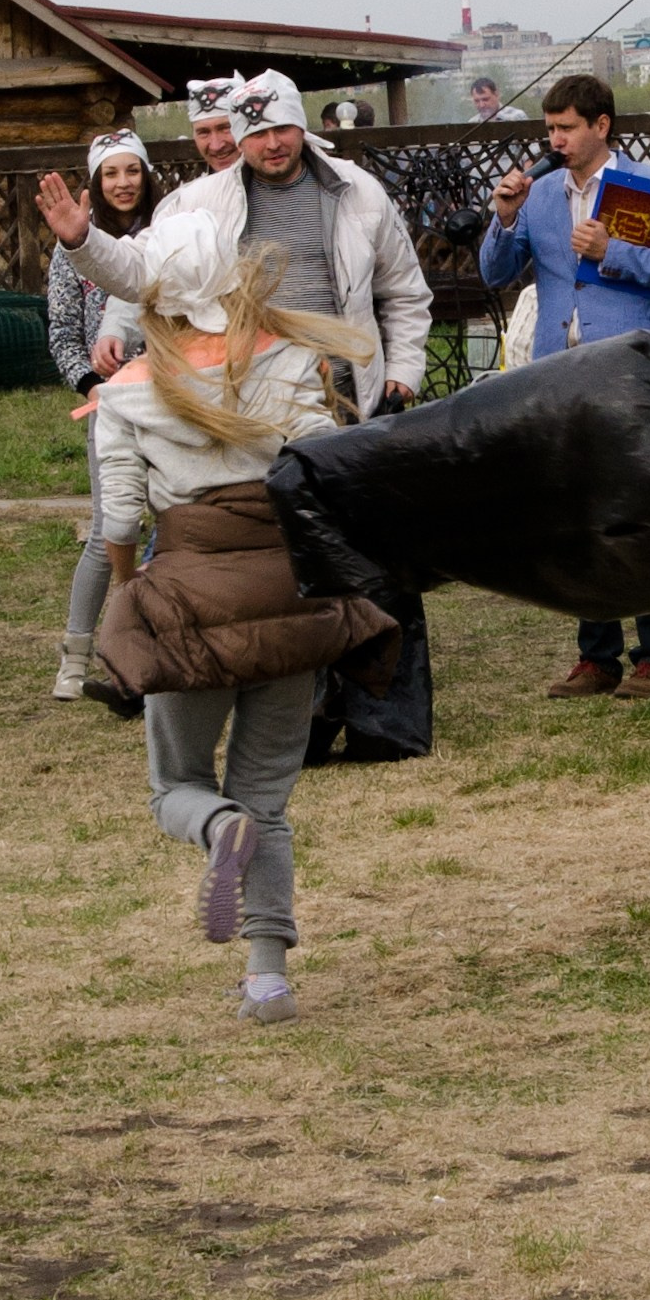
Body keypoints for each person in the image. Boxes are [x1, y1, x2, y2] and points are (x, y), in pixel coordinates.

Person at [94, 245, 382, 1025]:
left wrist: (131, 595)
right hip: (288, 596)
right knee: (270, 799)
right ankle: (268, 981)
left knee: (175, 786)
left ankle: (219, 829)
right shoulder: (290, 362)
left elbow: (119, 519)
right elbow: (329, 468)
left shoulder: (125, 394)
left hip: (189, 598)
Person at [477, 71, 650, 699]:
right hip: (559, 372)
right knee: (579, 517)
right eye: (550, 129)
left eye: (567, 128)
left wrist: (614, 250)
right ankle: (596, 657)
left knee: (639, 512)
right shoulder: (542, 194)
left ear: (601, 126)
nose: (556, 140)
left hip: (629, 369)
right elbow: (495, 271)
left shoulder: (649, 186)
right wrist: (503, 215)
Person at [44, 69, 432, 417]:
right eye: (258, 133)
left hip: (348, 398)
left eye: (282, 129)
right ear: (243, 139)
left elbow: (404, 290)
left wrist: (402, 368)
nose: (273, 143)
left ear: (302, 128)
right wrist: (84, 240)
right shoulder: (197, 203)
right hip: (251, 403)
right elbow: (141, 271)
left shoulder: (358, 191)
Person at [45, 127, 157, 700]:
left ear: (147, 175)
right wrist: (91, 385)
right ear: (95, 181)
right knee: (109, 528)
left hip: (170, 399)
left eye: (131, 171)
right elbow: (63, 333)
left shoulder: (166, 234)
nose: (122, 183)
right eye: (110, 173)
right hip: (108, 402)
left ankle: (153, 650)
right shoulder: (74, 248)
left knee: (171, 524)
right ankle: (76, 654)